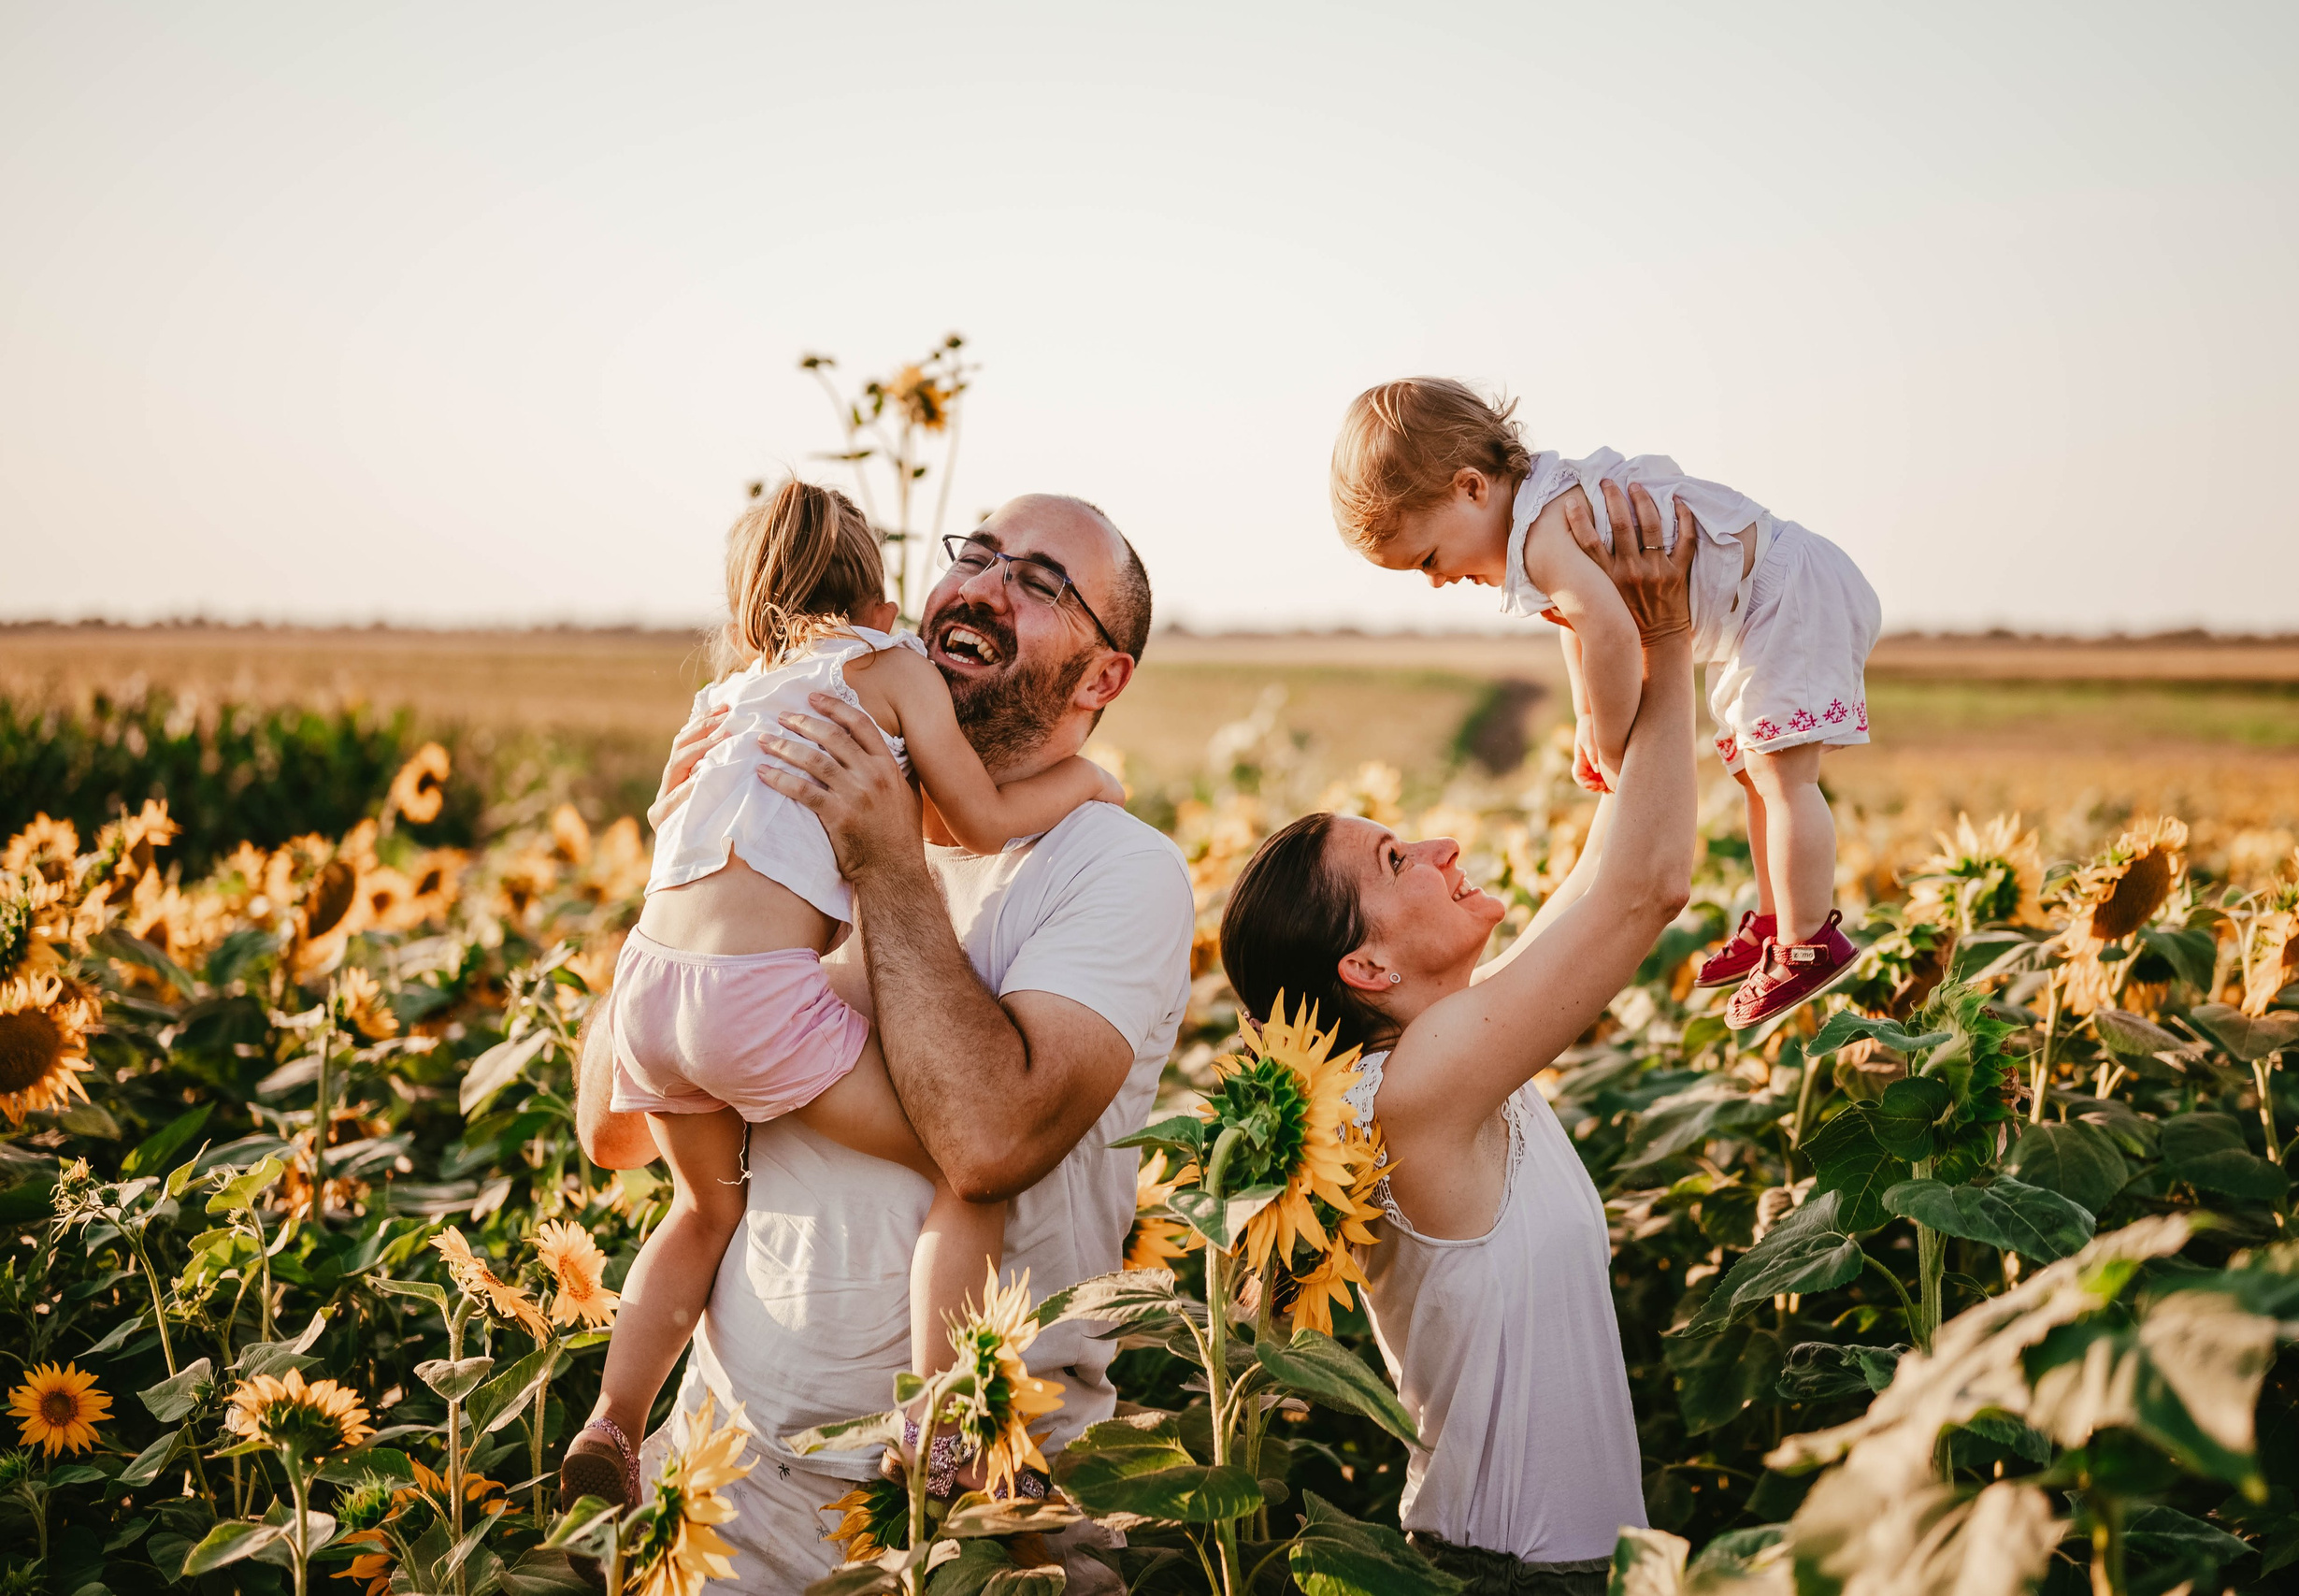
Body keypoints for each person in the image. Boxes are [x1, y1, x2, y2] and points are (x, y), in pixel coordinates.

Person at [576, 494, 1194, 1593]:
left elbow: (990, 1148)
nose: (988, 583)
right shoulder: (799, 780)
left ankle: (936, 1420)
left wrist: (885, 865)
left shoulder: (1114, 867)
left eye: (1042, 580)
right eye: (980, 553)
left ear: (1105, 677)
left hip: (961, 1527)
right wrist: (675, 875)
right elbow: (613, 1133)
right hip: (725, 1487)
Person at [1217, 482, 1700, 1592]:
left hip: (1544, 1563)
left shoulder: (1449, 1062)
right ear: (1367, 971)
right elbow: (1646, 888)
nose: (1437, 844)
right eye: (1395, 862)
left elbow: (1610, 870)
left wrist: (1609, 656)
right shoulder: (1412, 1088)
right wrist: (1668, 641)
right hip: (1511, 1573)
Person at [1329, 376, 1881, 1028]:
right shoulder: (1535, 521)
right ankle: (1777, 917)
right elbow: (1577, 626)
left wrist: (1617, 743)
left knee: (1784, 777)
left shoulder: (1541, 535)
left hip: (1787, 594)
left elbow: (1613, 633)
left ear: (1471, 487)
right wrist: (1589, 717)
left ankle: (1810, 938)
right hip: (1766, 602)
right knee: (1756, 772)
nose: (1439, 579)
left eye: (1428, 558)